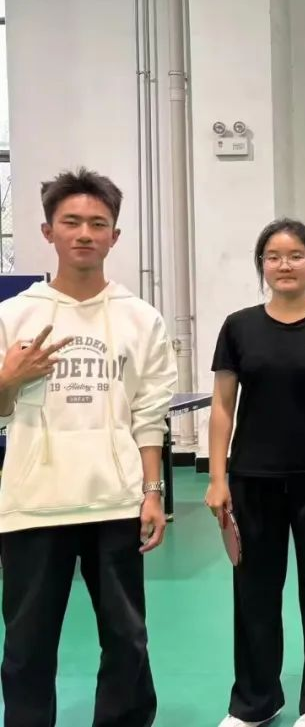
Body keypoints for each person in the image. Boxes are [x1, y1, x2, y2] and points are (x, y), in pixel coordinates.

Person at [0, 168, 177, 727]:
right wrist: (8, 378)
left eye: (98, 224)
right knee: (26, 646)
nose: (84, 234)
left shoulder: (140, 318)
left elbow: (149, 414)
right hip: (33, 505)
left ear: (114, 237)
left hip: (115, 502)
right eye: (71, 222)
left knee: (127, 640)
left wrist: (153, 492)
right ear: (47, 231)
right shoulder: (13, 315)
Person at [207, 219, 305, 727]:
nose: (284, 265)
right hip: (253, 480)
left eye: (295, 255)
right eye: (273, 256)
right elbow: (222, 407)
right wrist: (218, 477)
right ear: (262, 266)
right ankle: (255, 702)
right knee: (254, 594)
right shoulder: (239, 327)